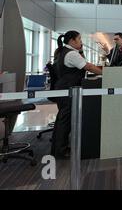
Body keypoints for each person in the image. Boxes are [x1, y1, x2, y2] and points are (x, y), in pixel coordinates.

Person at [51, 31, 102, 159]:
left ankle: (58, 148)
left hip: (63, 89)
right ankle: (61, 151)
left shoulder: (64, 52)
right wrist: (105, 73)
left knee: (62, 119)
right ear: (72, 41)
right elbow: (88, 66)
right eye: (79, 39)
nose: (81, 42)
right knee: (65, 120)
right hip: (68, 90)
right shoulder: (71, 54)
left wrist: (81, 50)